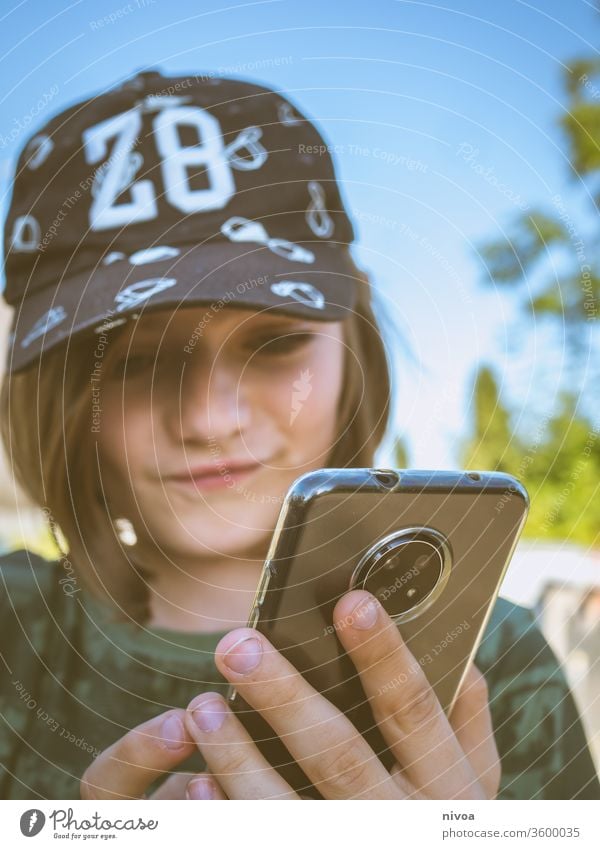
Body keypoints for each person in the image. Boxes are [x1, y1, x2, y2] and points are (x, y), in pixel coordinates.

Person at [0, 69, 598, 801]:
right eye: (134, 362)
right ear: (59, 396)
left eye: (275, 341)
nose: (209, 419)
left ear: (355, 343)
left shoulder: (489, 661)